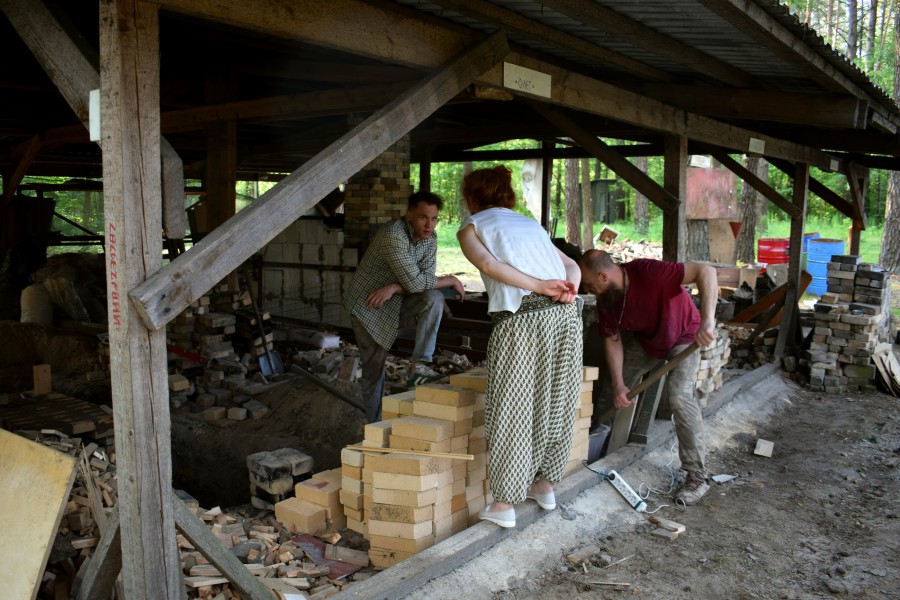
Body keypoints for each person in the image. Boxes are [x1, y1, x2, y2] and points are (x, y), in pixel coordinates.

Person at [457, 166, 583, 528]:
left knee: (514, 407)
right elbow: (573, 265)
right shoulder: (531, 225)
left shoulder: (472, 228)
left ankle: (504, 505)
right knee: (555, 401)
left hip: (522, 320)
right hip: (564, 317)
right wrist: (568, 289)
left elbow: (487, 264)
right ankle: (544, 485)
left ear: (471, 198)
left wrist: (540, 285)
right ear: (507, 196)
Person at [578, 249, 718, 506]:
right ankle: (595, 447)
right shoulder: (607, 298)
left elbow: (705, 271)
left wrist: (708, 321)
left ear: (603, 275)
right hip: (648, 343)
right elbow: (612, 339)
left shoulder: (650, 272)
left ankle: (697, 475)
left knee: (679, 397)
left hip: (684, 337)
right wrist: (620, 384)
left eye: (588, 284)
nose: (587, 289)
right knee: (611, 388)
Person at [344, 191, 464, 423]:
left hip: (397, 299)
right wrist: (450, 279)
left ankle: (419, 366)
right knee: (374, 369)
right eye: (423, 218)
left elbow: (423, 282)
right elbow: (417, 282)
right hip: (369, 306)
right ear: (409, 215)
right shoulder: (393, 235)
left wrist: (394, 288)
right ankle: (375, 426)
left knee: (433, 298)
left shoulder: (431, 238)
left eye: (434, 219)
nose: (429, 225)